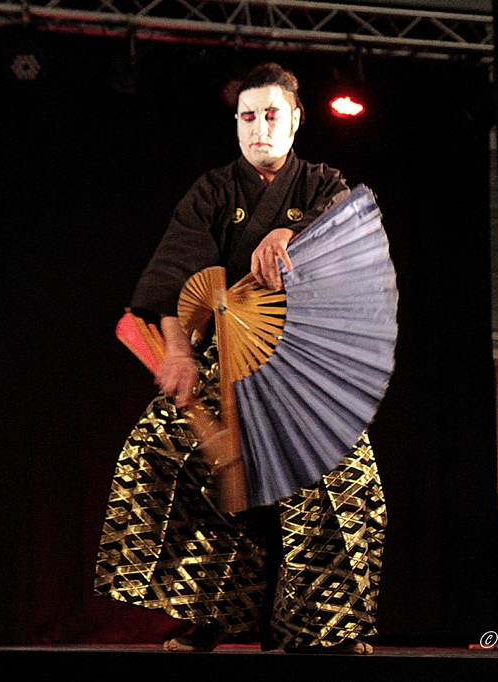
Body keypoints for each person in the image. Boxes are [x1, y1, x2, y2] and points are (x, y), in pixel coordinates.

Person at [94, 63, 386, 653]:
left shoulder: (323, 184)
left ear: (297, 119)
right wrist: (178, 352)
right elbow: (176, 273)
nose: (259, 127)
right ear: (236, 123)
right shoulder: (213, 191)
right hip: (221, 368)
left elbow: (349, 252)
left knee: (348, 487)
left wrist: (292, 238)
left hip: (302, 376)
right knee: (158, 459)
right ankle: (211, 613)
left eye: (271, 114)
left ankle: (321, 628)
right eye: (247, 116)